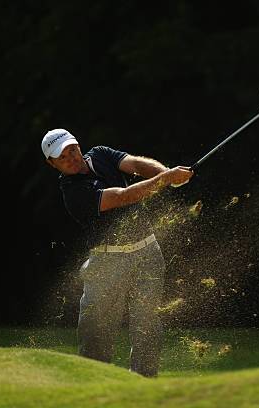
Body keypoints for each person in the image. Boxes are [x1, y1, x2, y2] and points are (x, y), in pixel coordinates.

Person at [41, 128, 193, 377]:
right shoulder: (73, 192)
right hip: (107, 262)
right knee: (95, 335)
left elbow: (135, 165)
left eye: (72, 150)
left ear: (78, 145)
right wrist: (166, 179)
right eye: (63, 157)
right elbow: (123, 196)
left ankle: (144, 387)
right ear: (52, 163)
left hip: (147, 252)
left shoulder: (100, 154)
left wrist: (166, 173)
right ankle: (94, 388)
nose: (71, 158)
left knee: (147, 327)